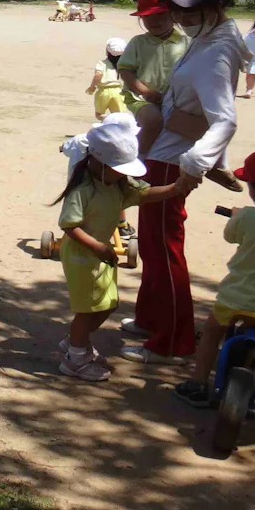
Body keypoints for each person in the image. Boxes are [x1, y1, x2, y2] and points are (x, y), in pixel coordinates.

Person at [125, 0, 246, 364]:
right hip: (164, 151)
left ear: (217, 5)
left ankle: (173, 341)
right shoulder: (207, 38)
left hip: (173, 160)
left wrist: (197, 165)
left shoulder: (216, 51)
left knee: (164, 250)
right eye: (176, 9)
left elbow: (224, 118)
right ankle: (149, 318)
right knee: (153, 247)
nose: (182, 17)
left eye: (192, 9)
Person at [52, 121, 185, 381]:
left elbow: (145, 194)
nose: (124, 175)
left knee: (107, 305)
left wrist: (174, 189)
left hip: (100, 255)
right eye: (119, 169)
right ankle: (75, 359)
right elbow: (68, 225)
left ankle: (74, 344)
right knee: (89, 309)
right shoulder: (84, 189)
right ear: (100, 164)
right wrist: (97, 246)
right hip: (83, 256)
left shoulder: (116, 184)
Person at [174, 147, 255, 407]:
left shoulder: (250, 217)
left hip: (236, 298)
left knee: (212, 331)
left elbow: (231, 236)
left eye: (250, 185)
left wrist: (239, 216)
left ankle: (197, 384)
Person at [119, 0, 189, 154]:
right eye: (147, 17)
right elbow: (125, 70)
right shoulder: (138, 42)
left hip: (175, 99)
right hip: (140, 97)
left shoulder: (187, 43)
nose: (153, 21)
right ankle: (134, 159)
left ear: (175, 15)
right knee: (153, 122)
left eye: (160, 15)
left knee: (185, 127)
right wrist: (145, 91)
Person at [60, 112, 140, 239]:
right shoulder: (119, 152)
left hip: (75, 184)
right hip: (100, 189)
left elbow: (63, 147)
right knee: (116, 196)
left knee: (75, 214)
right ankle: (122, 226)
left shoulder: (80, 139)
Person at [87, 38, 128, 120]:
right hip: (119, 91)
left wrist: (92, 87)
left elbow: (98, 75)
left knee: (99, 114)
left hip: (104, 91)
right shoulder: (124, 64)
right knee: (120, 116)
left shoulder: (102, 63)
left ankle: (108, 119)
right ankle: (114, 124)